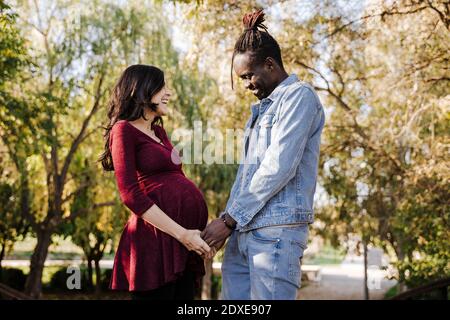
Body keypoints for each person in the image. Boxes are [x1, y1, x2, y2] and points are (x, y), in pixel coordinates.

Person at [201, 9, 325, 300]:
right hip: (243, 232)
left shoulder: (299, 97)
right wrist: (227, 223)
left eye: (248, 76)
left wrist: (228, 220)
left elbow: (278, 167)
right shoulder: (261, 110)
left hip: (275, 234)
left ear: (269, 64)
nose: (246, 85)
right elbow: (246, 176)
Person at [100, 64, 213, 300]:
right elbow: (130, 194)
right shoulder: (123, 130)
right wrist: (182, 234)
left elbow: (176, 180)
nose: (168, 93)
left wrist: (195, 234)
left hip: (181, 243)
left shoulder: (159, 133)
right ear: (142, 90)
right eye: (162, 87)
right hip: (153, 242)